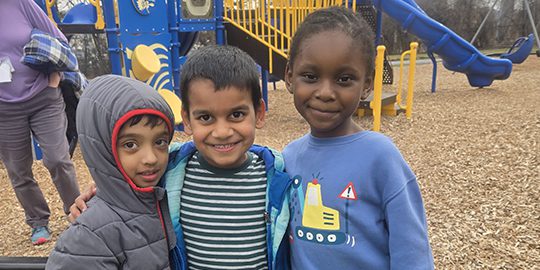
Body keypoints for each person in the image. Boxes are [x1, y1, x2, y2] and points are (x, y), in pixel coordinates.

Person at [69, 45, 292, 269]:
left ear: (260, 113)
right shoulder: (170, 169)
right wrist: (97, 195)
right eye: (205, 117)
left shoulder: (278, 176)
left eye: (236, 114)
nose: (222, 131)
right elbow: (123, 184)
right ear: (186, 120)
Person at [282, 7, 434, 269]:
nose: (325, 92)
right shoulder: (288, 158)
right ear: (289, 76)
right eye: (310, 76)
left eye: (344, 79)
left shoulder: (380, 157)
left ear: (366, 85)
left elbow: (411, 251)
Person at [46, 75, 176, 269]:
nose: (151, 158)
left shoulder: (163, 194)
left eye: (160, 142)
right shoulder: (89, 237)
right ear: (102, 149)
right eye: (130, 144)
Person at [0, 0, 80, 245]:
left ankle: (77, 213)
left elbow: (58, 39)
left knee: (58, 158)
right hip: (4, 108)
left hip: (43, 97)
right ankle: (38, 222)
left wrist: (55, 76)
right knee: (18, 171)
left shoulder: (18, 3)